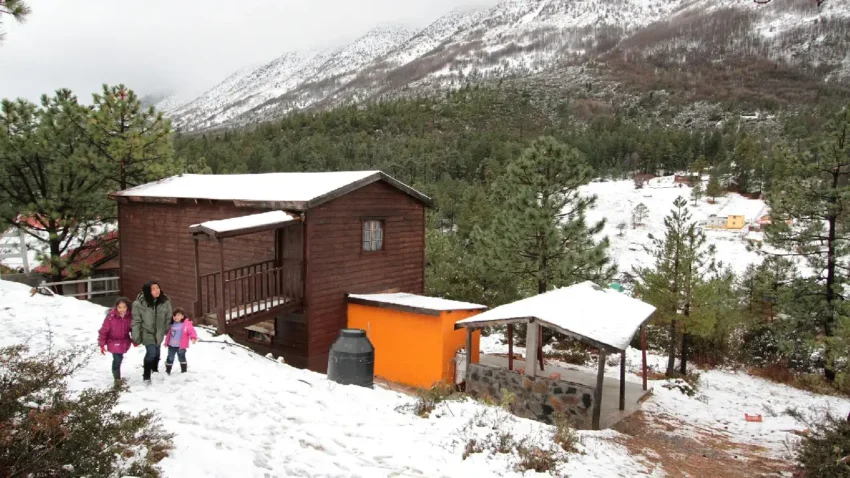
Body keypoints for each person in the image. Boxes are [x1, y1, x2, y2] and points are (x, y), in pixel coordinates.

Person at [131, 280, 172, 384]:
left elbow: (168, 316)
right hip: (147, 332)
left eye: (157, 288)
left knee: (157, 352)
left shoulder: (165, 301)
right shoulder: (139, 304)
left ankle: (155, 370)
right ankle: (146, 375)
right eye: (153, 289)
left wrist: (167, 329)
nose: (156, 290)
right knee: (151, 353)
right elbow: (136, 321)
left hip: (159, 332)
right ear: (147, 291)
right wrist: (136, 336)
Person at [98, 297, 135, 384]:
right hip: (113, 341)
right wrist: (102, 344)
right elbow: (104, 331)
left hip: (124, 341)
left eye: (124, 307)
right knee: (117, 359)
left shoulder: (129, 317)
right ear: (116, 307)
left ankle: (117, 377)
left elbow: (133, 329)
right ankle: (117, 379)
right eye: (119, 307)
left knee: (120, 358)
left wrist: (135, 340)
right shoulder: (111, 317)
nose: (122, 309)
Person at [163, 307, 198, 374]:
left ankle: (184, 370)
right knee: (170, 357)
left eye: (178, 315)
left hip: (181, 346)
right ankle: (168, 371)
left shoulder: (186, 324)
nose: (176, 317)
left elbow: (191, 331)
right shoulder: (171, 324)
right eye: (174, 315)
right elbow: (166, 331)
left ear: (182, 316)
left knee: (181, 357)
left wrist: (193, 337)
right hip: (171, 345)